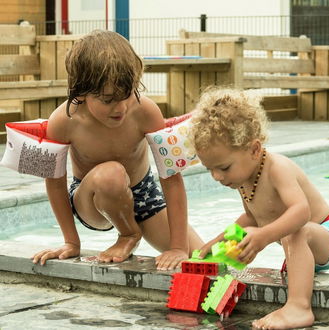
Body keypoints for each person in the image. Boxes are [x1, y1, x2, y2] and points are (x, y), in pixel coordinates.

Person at [31, 30, 203, 270]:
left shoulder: (146, 111)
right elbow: (54, 182)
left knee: (204, 261)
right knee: (111, 174)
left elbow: (172, 178)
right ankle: (128, 234)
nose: (120, 108)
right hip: (92, 199)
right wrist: (71, 241)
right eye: (108, 99)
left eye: (127, 95)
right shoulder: (63, 121)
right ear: (81, 91)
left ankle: (138, 231)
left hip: (143, 193)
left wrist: (178, 247)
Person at [188, 88, 329, 329]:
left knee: (294, 230)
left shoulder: (277, 168)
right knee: (289, 235)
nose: (217, 177)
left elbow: (301, 212)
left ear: (253, 149)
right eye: (209, 169)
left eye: (224, 167)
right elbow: (252, 217)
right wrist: (214, 244)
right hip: (298, 247)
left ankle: (299, 308)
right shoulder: (243, 179)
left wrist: (263, 236)